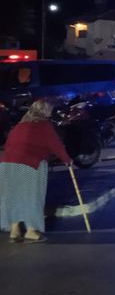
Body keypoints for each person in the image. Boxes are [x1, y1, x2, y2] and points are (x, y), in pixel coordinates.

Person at [0, 98, 72, 243]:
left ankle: (14, 231)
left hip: (7, 164)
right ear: (44, 111)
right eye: (49, 111)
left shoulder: (20, 125)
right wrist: (67, 160)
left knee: (12, 197)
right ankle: (31, 231)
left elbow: (8, 145)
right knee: (32, 196)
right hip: (29, 164)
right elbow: (55, 144)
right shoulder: (43, 125)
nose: (50, 113)